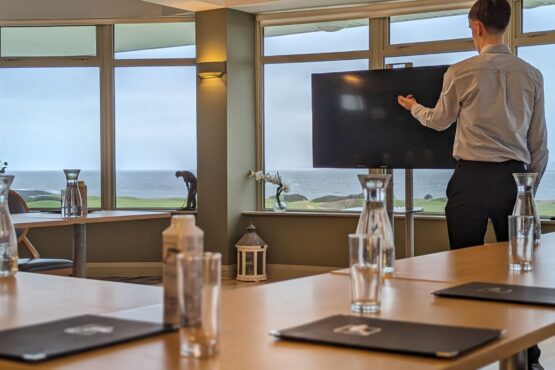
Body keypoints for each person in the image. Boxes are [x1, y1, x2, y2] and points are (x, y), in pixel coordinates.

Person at [397, 0, 548, 368]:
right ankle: (528, 356)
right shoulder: (532, 74)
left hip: (471, 179)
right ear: (506, 25)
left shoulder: (460, 71)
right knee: (521, 272)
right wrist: (527, 192)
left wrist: (413, 107)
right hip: (515, 180)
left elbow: (438, 121)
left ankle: (466, 350)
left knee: (464, 270)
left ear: (476, 26)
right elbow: (539, 145)